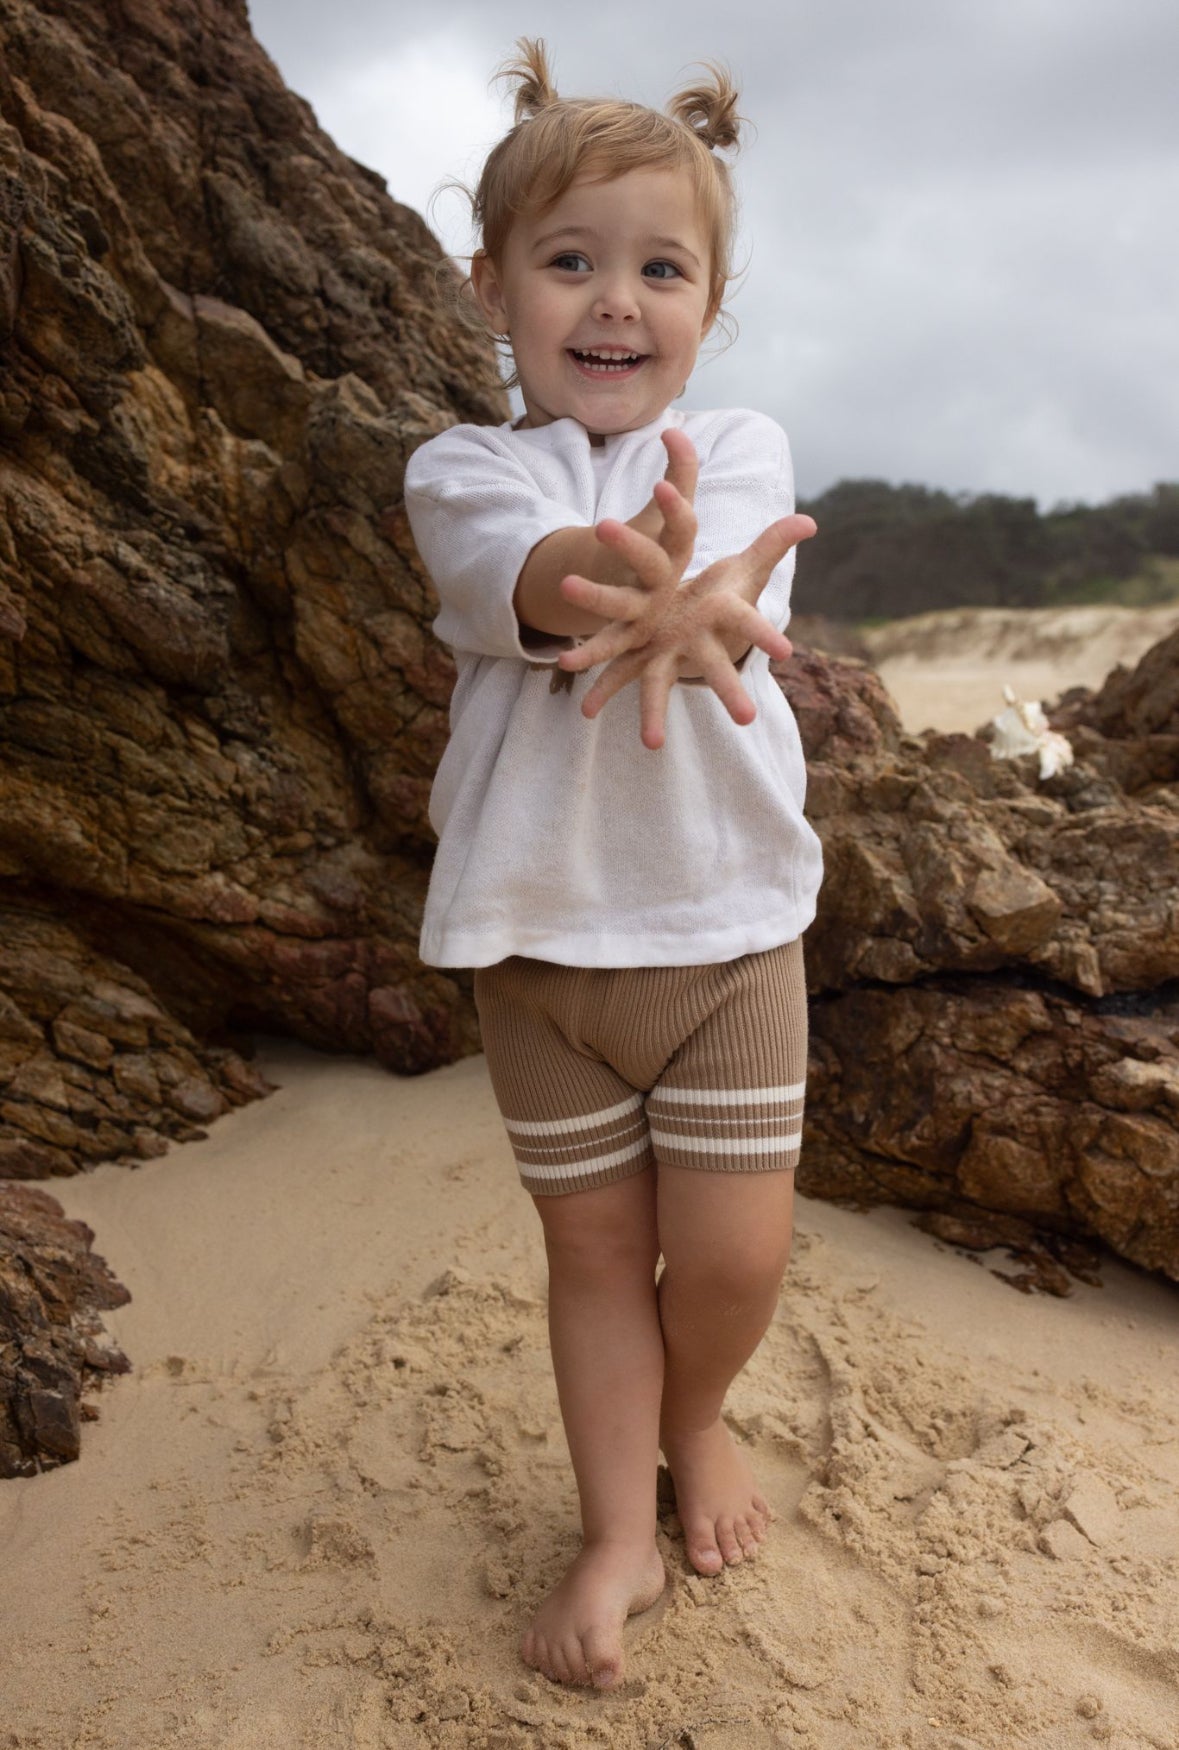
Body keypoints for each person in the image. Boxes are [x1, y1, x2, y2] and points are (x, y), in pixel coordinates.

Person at [403, 37, 822, 1693]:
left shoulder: (745, 446)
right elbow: (534, 572)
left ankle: (697, 1417)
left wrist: (697, 591)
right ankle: (611, 1525)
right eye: (569, 262)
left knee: (731, 1258)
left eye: (660, 267)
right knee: (591, 1255)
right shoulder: (467, 468)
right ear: (492, 281)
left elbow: (736, 590)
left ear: (711, 299)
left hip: (726, 944)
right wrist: (620, 575)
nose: (614, 301)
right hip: (540, 961)